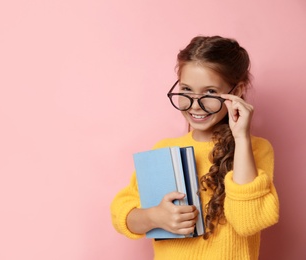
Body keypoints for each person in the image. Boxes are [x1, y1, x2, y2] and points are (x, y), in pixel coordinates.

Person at [110, 35, 279, 260]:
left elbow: (248, 220)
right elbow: (122, 212)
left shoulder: (255, 149)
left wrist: (241, 139)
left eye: (210, 92)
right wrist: (155, 217)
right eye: (187, 89)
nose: (195, 104)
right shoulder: (165, 150)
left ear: (236, 92)